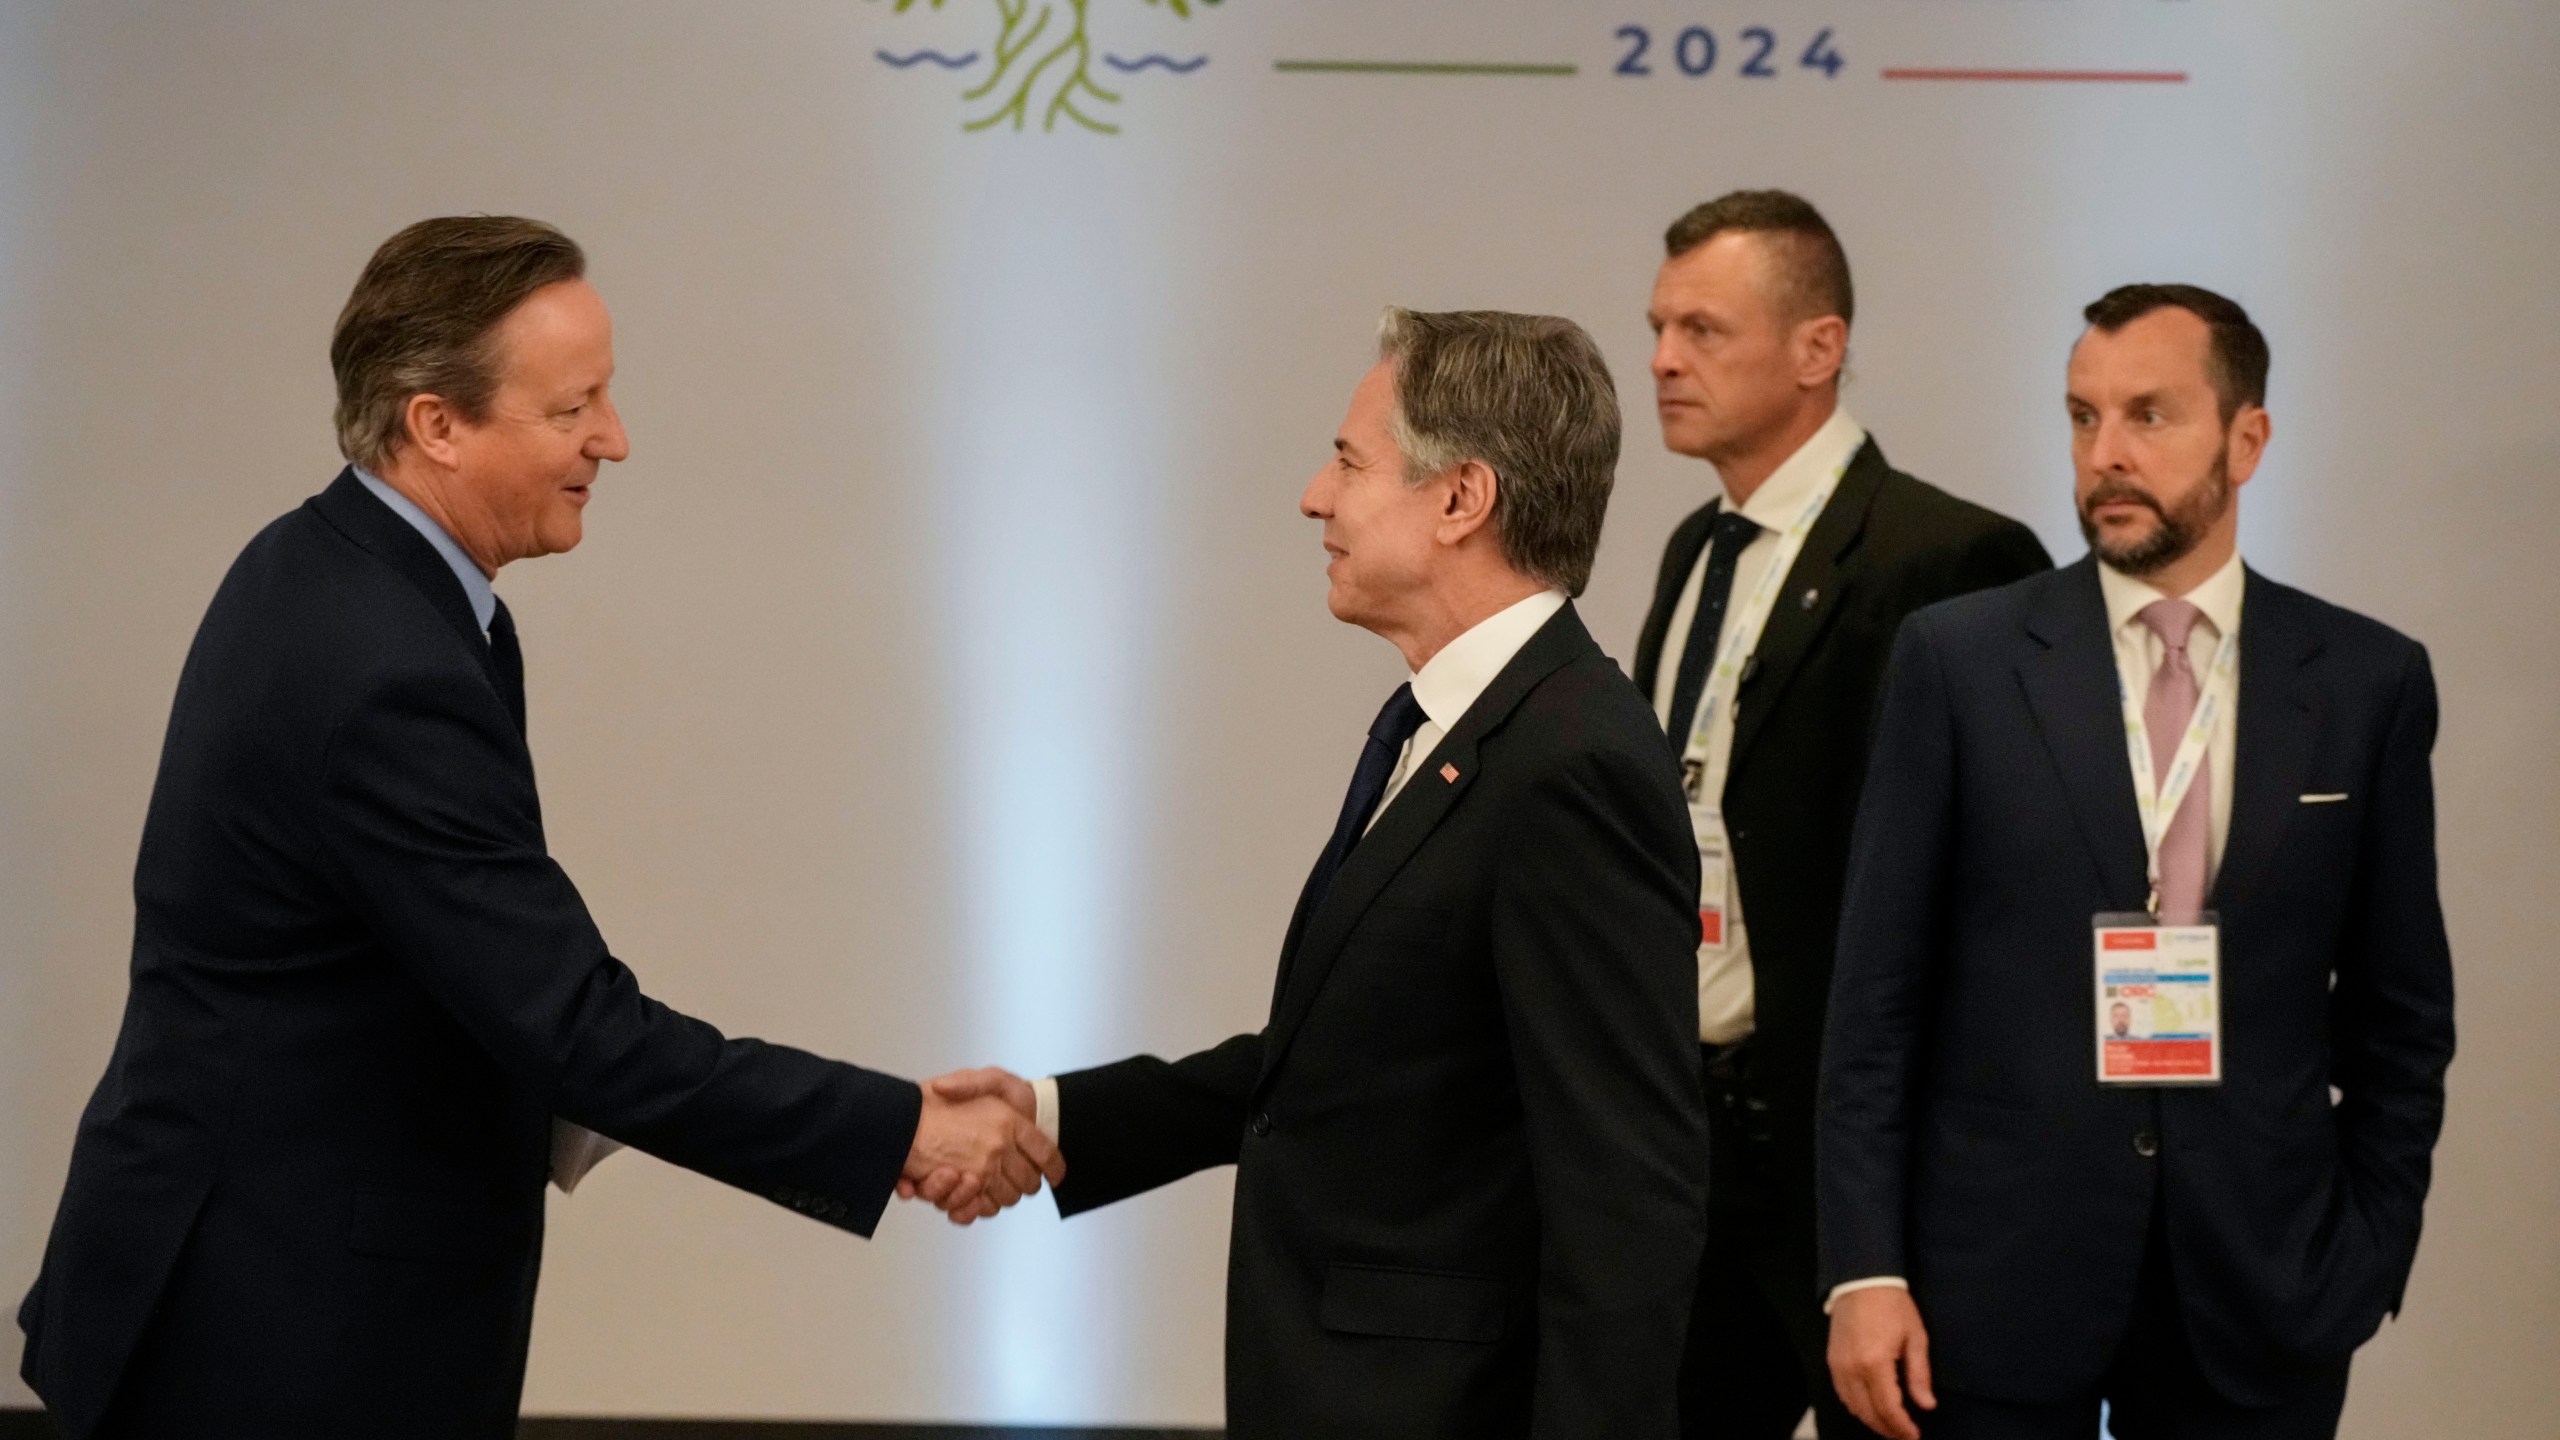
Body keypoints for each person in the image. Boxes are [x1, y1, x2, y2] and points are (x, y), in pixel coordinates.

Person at [14, 217, 1061, 1440]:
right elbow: (573, 1026)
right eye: (575, 409)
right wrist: (904, 1130)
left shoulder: (336, 572)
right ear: (436, 424)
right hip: (280, 1338)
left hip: (261, 1294)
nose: (613, 440)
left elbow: (458, 982)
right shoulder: (380, 661)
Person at [929, 309, 1711, 1437]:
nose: (1313, 496)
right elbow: (1350, 1064)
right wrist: (1059, 1114)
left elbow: (1626, 1187)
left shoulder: (1570, 760)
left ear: (1460, 499)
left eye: (1349, 462)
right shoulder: (1449, 725)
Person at [1819, 285, 2455, 1440]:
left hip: (2261, 1290)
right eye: (2080, 417)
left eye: (2148, 417)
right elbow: (1873, 1001)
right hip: (1987, 1290)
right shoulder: (1958, 662)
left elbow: (2400, 1011)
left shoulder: (2366, 682)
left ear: (2245, 439)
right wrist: (1863, 1269)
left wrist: (2363, 1252)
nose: (2104, 455)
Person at [1628, 190, 2051, 1439]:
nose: (1659, 358)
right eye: (1656, 326)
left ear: (1818, 349)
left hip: (1860, 1170)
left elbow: (2002, 890)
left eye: (1700, 328)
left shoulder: (1950, 559)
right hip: (1687, 1146)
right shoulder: (1691, 550)